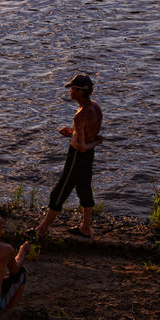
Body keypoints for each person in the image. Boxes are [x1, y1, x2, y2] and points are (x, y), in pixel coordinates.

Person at [30, 73, 104, 239]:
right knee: (84, 188)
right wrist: (73, 132)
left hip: (77, 156)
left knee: (60, 191)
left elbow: (83, 146)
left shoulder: (80, 115)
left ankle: (41, 230)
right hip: (87, 156)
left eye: (72, 88)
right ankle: (85, 228)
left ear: (79, 91)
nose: (70, 91)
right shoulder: (96, 108)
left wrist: (96, 143)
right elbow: (88, 134)